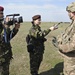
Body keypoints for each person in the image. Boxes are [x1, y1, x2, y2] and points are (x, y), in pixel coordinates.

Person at [55, 2, 75, 75]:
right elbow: (66, 35)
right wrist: (58, 39)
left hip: (73, 62)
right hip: (69, 59)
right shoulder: (72, 23)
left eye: (69, 12)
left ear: (73, 12)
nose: (68, 14)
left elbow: (73, 45)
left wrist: (59, 46)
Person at [0, 6, 20, 75]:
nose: (1, 15)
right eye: (0, 13)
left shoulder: (1, 24)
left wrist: (15, 29)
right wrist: (7, 27)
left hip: (5, 56)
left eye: (2, 13)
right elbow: (2, 37)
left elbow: (7, 38)